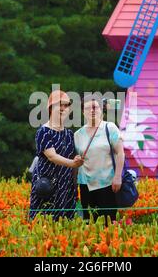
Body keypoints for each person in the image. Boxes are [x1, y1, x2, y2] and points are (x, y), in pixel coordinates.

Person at [29, 90, 84, 221]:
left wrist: (75, 184)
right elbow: (52, 156)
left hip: (66, 189)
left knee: (66, 228)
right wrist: (72, 163)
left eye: (66, 105)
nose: (63, 108)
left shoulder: (70, 134)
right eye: (59, 105)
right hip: (47, 186)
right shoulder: (43, 132)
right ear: (50, 108)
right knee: (43, 224)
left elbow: (74, 162)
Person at [74, 96, 124, 224]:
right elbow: (76, 160)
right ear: (83, 111)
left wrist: (118, 176)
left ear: (101, 110)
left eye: (95, 107)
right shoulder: (77, 135)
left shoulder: (110, 128)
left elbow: (120, 153)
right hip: (85, 185)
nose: (92, 110)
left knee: (109, 223)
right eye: (87, 108)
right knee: (89, 223)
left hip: (107, 183)